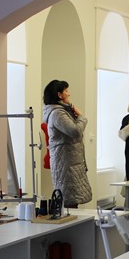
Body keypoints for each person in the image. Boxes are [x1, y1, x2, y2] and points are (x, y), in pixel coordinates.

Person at [42, 79, 91, 208]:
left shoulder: (63, 111)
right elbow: (75, 131)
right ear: (59, 95)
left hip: (70, 162)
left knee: (72, 200)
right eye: (66, 91)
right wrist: (82, 117)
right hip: (66, 163)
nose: (69, 94)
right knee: (69, 201)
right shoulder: (57, 113)